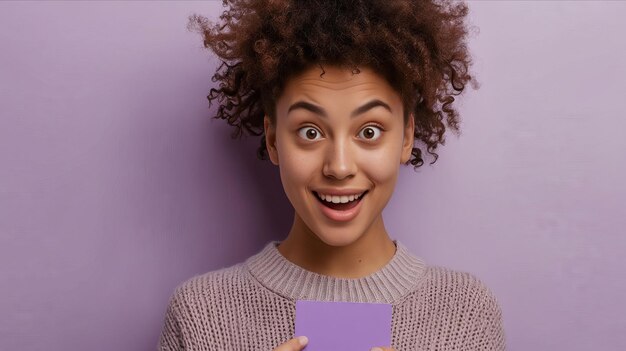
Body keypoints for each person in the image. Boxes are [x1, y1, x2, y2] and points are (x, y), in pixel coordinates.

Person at [158, 0, 505, 350]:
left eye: (369, 132)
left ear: (406, 137)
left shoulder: (467, 314)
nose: (339, 167)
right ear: (274, 138)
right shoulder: (198, 314)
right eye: (310, 132)